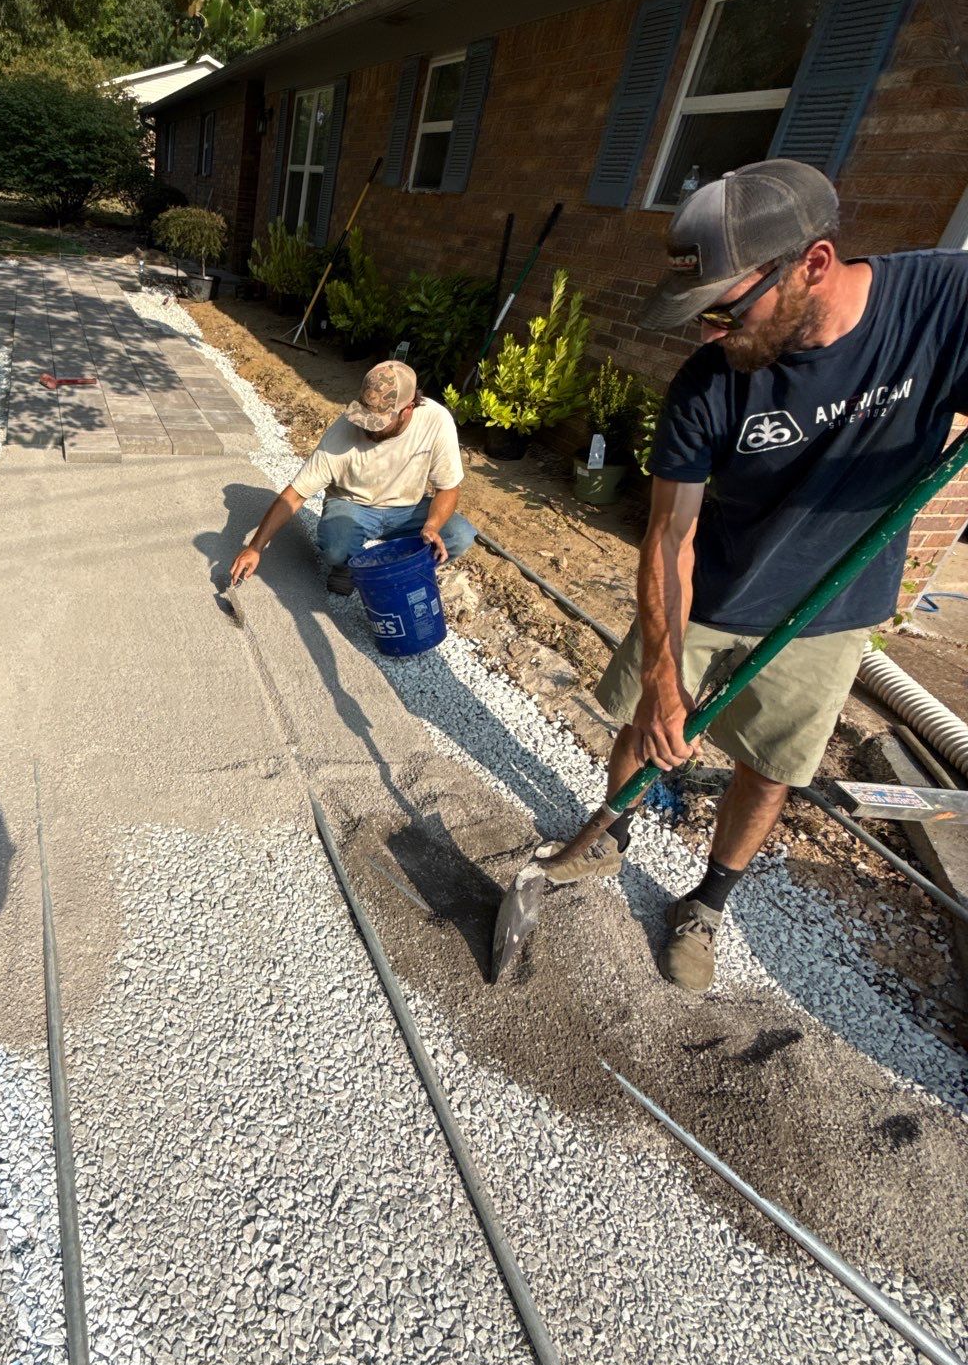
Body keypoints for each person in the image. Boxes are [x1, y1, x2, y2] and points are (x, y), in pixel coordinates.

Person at [545, 158, 968, 993]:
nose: (708, 332)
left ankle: (705, 904)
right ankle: (612, 837)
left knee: (771, 767)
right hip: (716, 585)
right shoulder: (710, 382)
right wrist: (666, 678)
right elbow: (670, 535)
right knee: (643, 718)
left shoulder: (941, 305)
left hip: (836, 599)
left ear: (812, 263)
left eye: (724, 310)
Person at [230, 359, 477, 592]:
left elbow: (448, 488)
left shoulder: (436, 421)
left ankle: (398, 569)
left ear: (408, 409)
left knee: (459, 535)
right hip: (353, 506)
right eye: (365, 416)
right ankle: (347, 568)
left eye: (378, 422)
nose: (367, 426)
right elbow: (295, 495)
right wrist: (255, 547)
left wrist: (432, 526)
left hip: (408, 510)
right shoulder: (343, 432)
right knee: (336, 549)